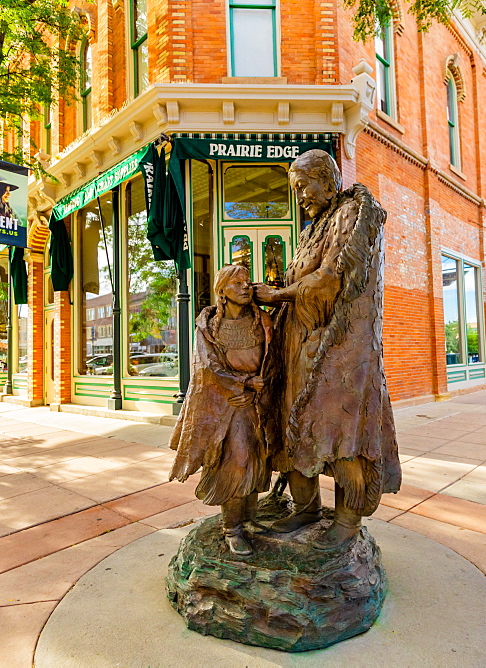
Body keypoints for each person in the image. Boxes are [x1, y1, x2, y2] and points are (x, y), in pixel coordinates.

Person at [255, 149, 401, 551]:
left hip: (339, 352)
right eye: (295, 190)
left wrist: (279, 294)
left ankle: (347, 521)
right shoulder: (312, 228)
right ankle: (306, 508)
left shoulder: (351, 216)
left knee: (341, 433)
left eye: (303, 187)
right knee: (297, 428)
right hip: (301, 347)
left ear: (326, 177)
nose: (299, 197)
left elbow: (330, 279)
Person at [169, 264, 272, 556]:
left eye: (247, 282)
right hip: (227, 403)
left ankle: (249, 519)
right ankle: (233, 529)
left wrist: (260, 387)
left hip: (258, 402)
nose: (245, 287)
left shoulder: (262, 321)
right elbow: (208, 366)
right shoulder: (208, 325)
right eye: (236, 283)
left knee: (257, 460)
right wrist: (243, 383)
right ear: (222, 290)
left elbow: (274, 357)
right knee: (236, 462)